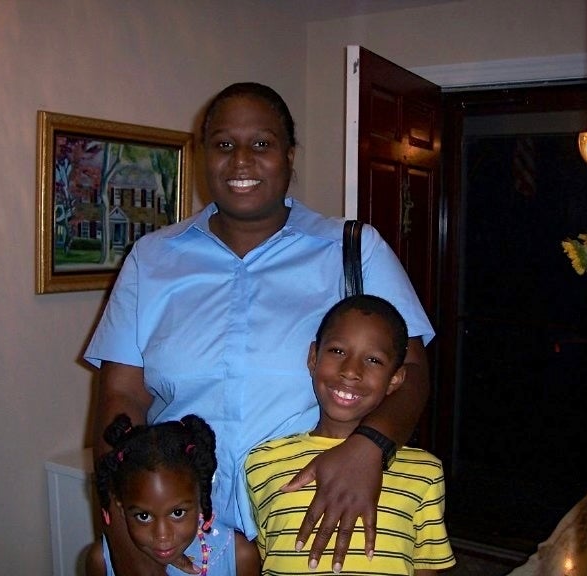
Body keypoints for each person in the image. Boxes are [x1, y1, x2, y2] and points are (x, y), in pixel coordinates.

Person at [84, 81, 434, 575]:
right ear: (204, 154)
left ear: (290, 156)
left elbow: (412, 372)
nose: (241, 160)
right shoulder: (152, 259)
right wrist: (127, 540)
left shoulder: (354, 250)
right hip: (185, 542)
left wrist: (369, 447)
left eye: (262, 144)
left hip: (314, 528)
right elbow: (121, 399)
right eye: (224, 144)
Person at [246, 294, 456, 575]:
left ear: (395, 378)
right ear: (313, 357)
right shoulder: (262, 462)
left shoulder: (424, 473)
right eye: (337, 351)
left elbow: (426, 569)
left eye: (373, 360)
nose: (351, 371)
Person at [86, 413, 235, 576]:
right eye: (143, 516)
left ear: (201, 499)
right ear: (121, 507)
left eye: (177, 513)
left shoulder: (236, 556)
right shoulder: (101, 561)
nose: (162, 536)